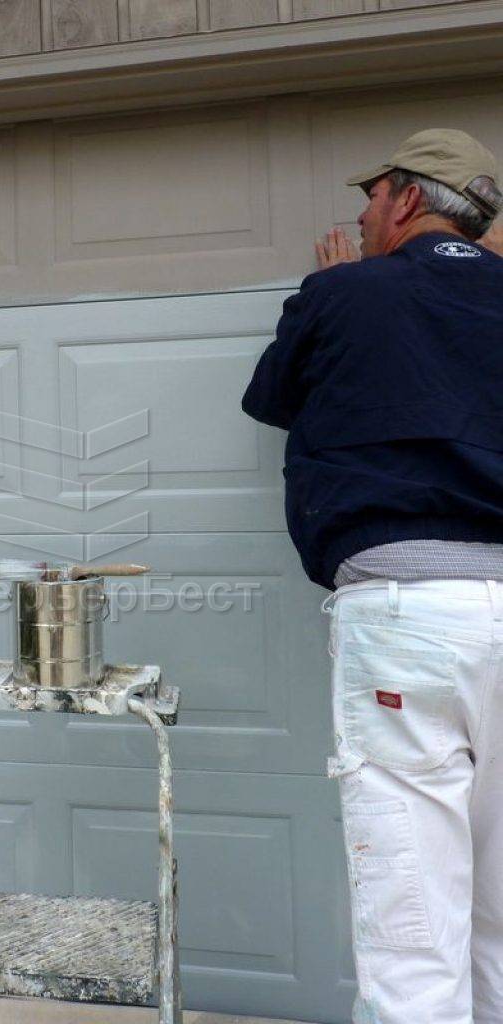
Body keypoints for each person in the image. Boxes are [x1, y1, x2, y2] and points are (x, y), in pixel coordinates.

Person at [241, 128, 503, 1024]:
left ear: (402, 197)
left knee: (411, 919)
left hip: (408, 621)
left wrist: (324, 284)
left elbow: (271, 397)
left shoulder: (346, 290)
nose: (358, 217)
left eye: (369, 199)